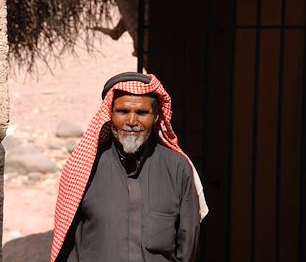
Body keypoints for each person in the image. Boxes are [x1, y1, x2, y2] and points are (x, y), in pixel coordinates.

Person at [51, 72, 208, 262]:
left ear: (156, 116)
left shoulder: (177, 169)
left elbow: (188, 245)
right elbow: (67, 247)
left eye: (142, 113)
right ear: (109, 114)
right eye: (123, 112)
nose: (132, 122)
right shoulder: (84, 169)